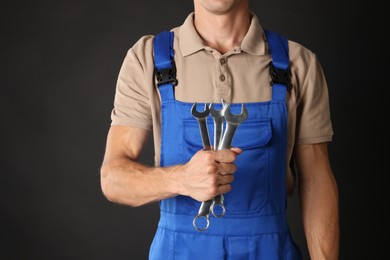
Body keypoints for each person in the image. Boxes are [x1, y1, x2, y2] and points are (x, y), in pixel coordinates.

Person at [100, 0, 339, 259]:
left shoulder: (298, 64)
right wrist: (181, 179)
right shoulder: (147, 59)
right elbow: (113, 179)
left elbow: (317, 181)